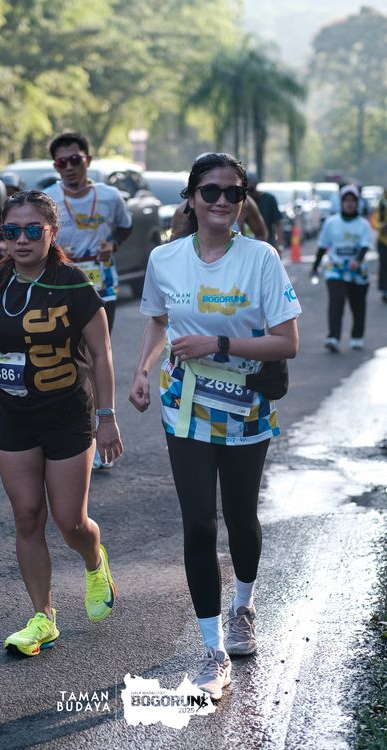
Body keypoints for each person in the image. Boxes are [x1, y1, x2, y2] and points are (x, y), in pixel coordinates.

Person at [129, 152, 300, 701]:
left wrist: (219, 343)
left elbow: (287, 342)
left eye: (233, 192)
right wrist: (141, 370)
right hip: (185, 403)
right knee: (199, 524)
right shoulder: (164, 259)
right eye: (211, 191)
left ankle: (243, 607)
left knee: (241, 519)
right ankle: (212, 650)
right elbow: (159, 321)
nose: (222, 201)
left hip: (246, 404)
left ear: (243, 199)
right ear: (191, 198)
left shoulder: (261, 258)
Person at [0, 190, 123, 656]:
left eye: (32, 230)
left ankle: (94, 560)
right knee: (27, 516)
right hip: (11, 417)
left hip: (67, 416)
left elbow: (102, 353)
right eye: (12, 231)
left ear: (52, 233)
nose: (21, 240)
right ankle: (43, 617)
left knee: (70, 521)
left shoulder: (73, 284)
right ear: (3, 235)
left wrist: (107, 416)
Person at [45, 132, 132, 469]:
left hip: (102, 286)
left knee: (96, 357)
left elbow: (124, 227)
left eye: (75, 160)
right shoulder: (49, 199)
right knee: (71, 358)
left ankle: (100, 433)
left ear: (88, 161)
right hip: (63, 285)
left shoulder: (109, 196)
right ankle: (74, 433)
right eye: (61, 162)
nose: (69, 167)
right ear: (56, 166)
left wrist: (112, 244)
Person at [312, 184, 372, 352]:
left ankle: (357, 336)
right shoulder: (331, 223)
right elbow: (322, 246)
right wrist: (315, 266)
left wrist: (357, 260)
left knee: (358, 305)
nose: (349, 203)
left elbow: (365, 246)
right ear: (341, 202)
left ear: (357, 203)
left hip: (358, 271)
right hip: (335, 270)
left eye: (353, 200)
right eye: (346, 200)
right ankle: (333, 337)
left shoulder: (363, 224)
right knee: (336, 301)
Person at [246, 172, 283, 255]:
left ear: (256, 185)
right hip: (248, 245)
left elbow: (278, 224)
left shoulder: (269, 199)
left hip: (268, 242)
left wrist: (279, 245)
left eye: (251, 189)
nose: (249, 193)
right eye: (246, 190)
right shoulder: (242, 201)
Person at [370, 188, 387, 302]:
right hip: (383, 241)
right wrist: (381, 226)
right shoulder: (382, 204)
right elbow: (374, 222)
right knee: (384, 266)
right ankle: (385, 291)